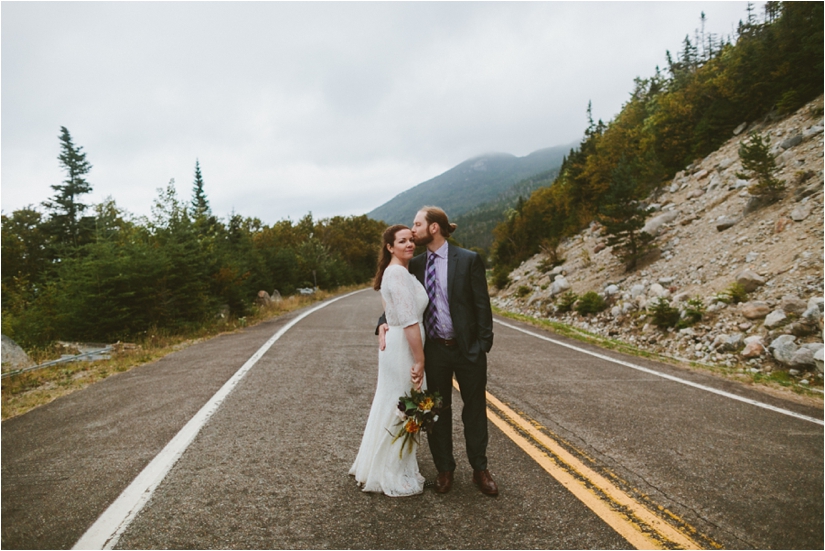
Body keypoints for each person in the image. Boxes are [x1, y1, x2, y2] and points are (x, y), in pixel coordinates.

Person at [378, 206, 497, 496]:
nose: (412, 230)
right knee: (436, 412)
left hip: (468, 350)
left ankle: (479, 470)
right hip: (435, 351)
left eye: (417, 224)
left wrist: (483, 344)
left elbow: (482, 304)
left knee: (475, 411)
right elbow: (397, 298)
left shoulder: (468, 260)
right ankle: (445, 470)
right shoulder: (414, 264)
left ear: (433, 228)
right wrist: (382, 323)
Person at [349, 225, 428, 497]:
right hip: (404, 348)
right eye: (402, 241)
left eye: (411, 240)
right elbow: (407, 320)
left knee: (394, 402)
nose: (409, 244)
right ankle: (391, 470)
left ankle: (391, 463)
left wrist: (385, 325)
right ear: (389, 247)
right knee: (402, 403)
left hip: (397, 343)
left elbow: (390, 312)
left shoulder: (398, 271)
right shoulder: (396, 273)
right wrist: (420, 359)